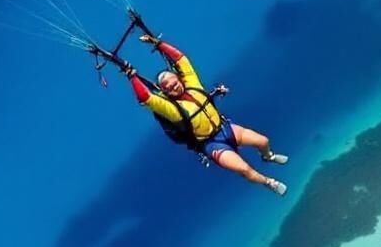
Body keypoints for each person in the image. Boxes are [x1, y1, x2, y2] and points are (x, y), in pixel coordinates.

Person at [124, 33, 289, 196]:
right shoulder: (173, 110)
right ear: (165, 92)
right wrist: (132, 77)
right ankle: (269, 182)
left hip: (225, 128)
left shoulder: (193, 85)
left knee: (263, 141)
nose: (175, 88)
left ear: (180, 80)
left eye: (175, 83)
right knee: (244, 169)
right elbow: (147, 99)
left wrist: (159, 44)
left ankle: (268, 156)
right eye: (169, 88)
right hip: (211, 144)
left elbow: (181, 60)